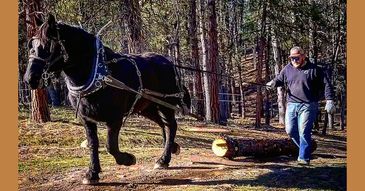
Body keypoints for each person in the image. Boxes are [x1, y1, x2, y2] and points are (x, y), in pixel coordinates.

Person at [266, 46, 335, 165]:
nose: (294, 61)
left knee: (304, 131)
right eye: (292, 58)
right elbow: (279, 79)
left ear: (303, 56)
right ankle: (306, 149)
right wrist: (273, 83)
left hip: (308, 104)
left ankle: (303, 158)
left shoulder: (315, 69)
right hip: (292, 103)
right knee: (291, 131)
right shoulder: (288, 68)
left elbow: (327, 85)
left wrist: (329, 100)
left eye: (297, 58)